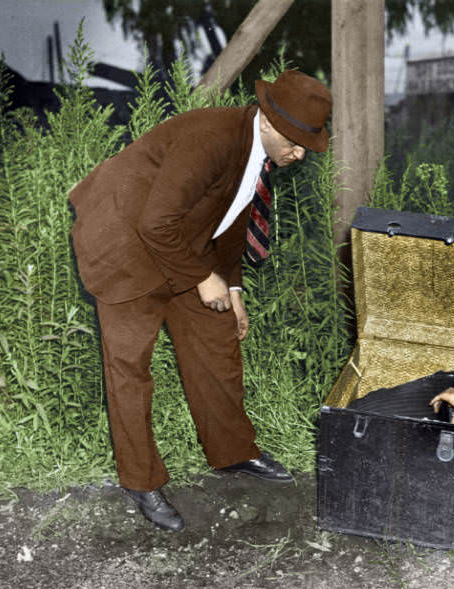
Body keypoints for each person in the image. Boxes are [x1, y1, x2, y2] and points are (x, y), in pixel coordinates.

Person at [68, 70, 332, 532]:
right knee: (130, 368)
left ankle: (233, 453)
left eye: (309, 144)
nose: (301, 152)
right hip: (124, 248)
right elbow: (154, 223)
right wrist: (201, 278)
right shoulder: (211, 138)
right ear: (268, 123)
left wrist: (231, 288)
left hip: (177, 246)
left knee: (218, 338)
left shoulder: (258, 150)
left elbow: (227, 222)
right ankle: (141, 480)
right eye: (295, 140)